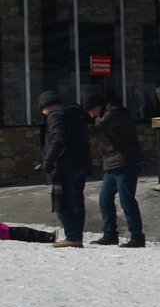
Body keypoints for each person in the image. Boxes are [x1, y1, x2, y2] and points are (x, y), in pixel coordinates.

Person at [85, 92, 146, 248]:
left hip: (127, 162)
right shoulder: (103, 114)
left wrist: (80, 125)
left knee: (126, 200)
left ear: (98, 107)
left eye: (91, 111)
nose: (90, 115)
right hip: (113, 164)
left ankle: (137, 237)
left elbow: (98, 129)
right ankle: (110, 234)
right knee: (104, 199)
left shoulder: (115, 112)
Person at [39, 90, 91, 247]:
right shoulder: (75, 114)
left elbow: (58, 139)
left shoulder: (55, 116)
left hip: (64, 166)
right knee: (77, 201)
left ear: (47, 106)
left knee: (62, 202)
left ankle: (72, 236)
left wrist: (48, 161)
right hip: (81, 163)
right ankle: (76, 235)